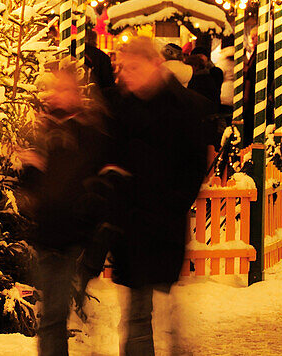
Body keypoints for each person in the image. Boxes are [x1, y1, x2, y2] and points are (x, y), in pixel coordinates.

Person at [107, 37, 211, 356]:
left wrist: (175, 201)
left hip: (163, 220)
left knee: (167, 308)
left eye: (133, 67)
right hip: (130, 223)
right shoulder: (119, 106)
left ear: (154, 65)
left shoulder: (186, 108)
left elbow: (195, 164)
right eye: (122, 68)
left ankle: (177, 348)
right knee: (137, 311)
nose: (126, 74)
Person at [14, 67, 115, 356]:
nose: (57, 95)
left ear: (75, 94)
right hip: (48, 231)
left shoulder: (87, 131)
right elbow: (35, 185)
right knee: (52, 314)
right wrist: (31, 167)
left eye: (64, 89)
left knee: (54, 313)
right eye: (54, 89)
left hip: (74, 234)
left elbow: (90, 180)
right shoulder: (46, 128)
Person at [83, 27, 115, 91]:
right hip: (96, 91)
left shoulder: (74, 51)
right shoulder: (103, 57)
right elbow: (107, 81)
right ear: (96, 39)